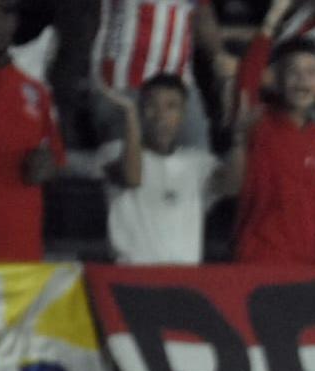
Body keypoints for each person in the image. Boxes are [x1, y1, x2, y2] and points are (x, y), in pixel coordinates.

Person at [232, 38, 315, 278]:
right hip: (258, 260)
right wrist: (268, 28)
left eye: (311, 72)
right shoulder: (260, 125)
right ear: (276, 80)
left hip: (310, 267)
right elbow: (247, 83)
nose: (302, 81)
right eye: (293, 72)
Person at [90, 74, 244, 264]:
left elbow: (232, 186)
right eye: (151, 106)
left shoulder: (197, 162)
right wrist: (130, 114)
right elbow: (132, 177)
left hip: (183, 283)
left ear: (183, 114)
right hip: (130, 281)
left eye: (171, 107)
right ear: (140, 110)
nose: (161, 116)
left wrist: (239, 136)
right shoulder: (114, 152)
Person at [0, 0, 64, 262]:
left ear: (16, 21)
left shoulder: (35, 91)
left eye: (6, 11)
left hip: (21, 255)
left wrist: (47, 166)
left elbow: (55, 157)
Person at [88, 0, 233, 148]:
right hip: (124, 83)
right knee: (127, 161)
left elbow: (203, 17)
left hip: (179, 84)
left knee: (196, 157)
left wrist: (222, 64)